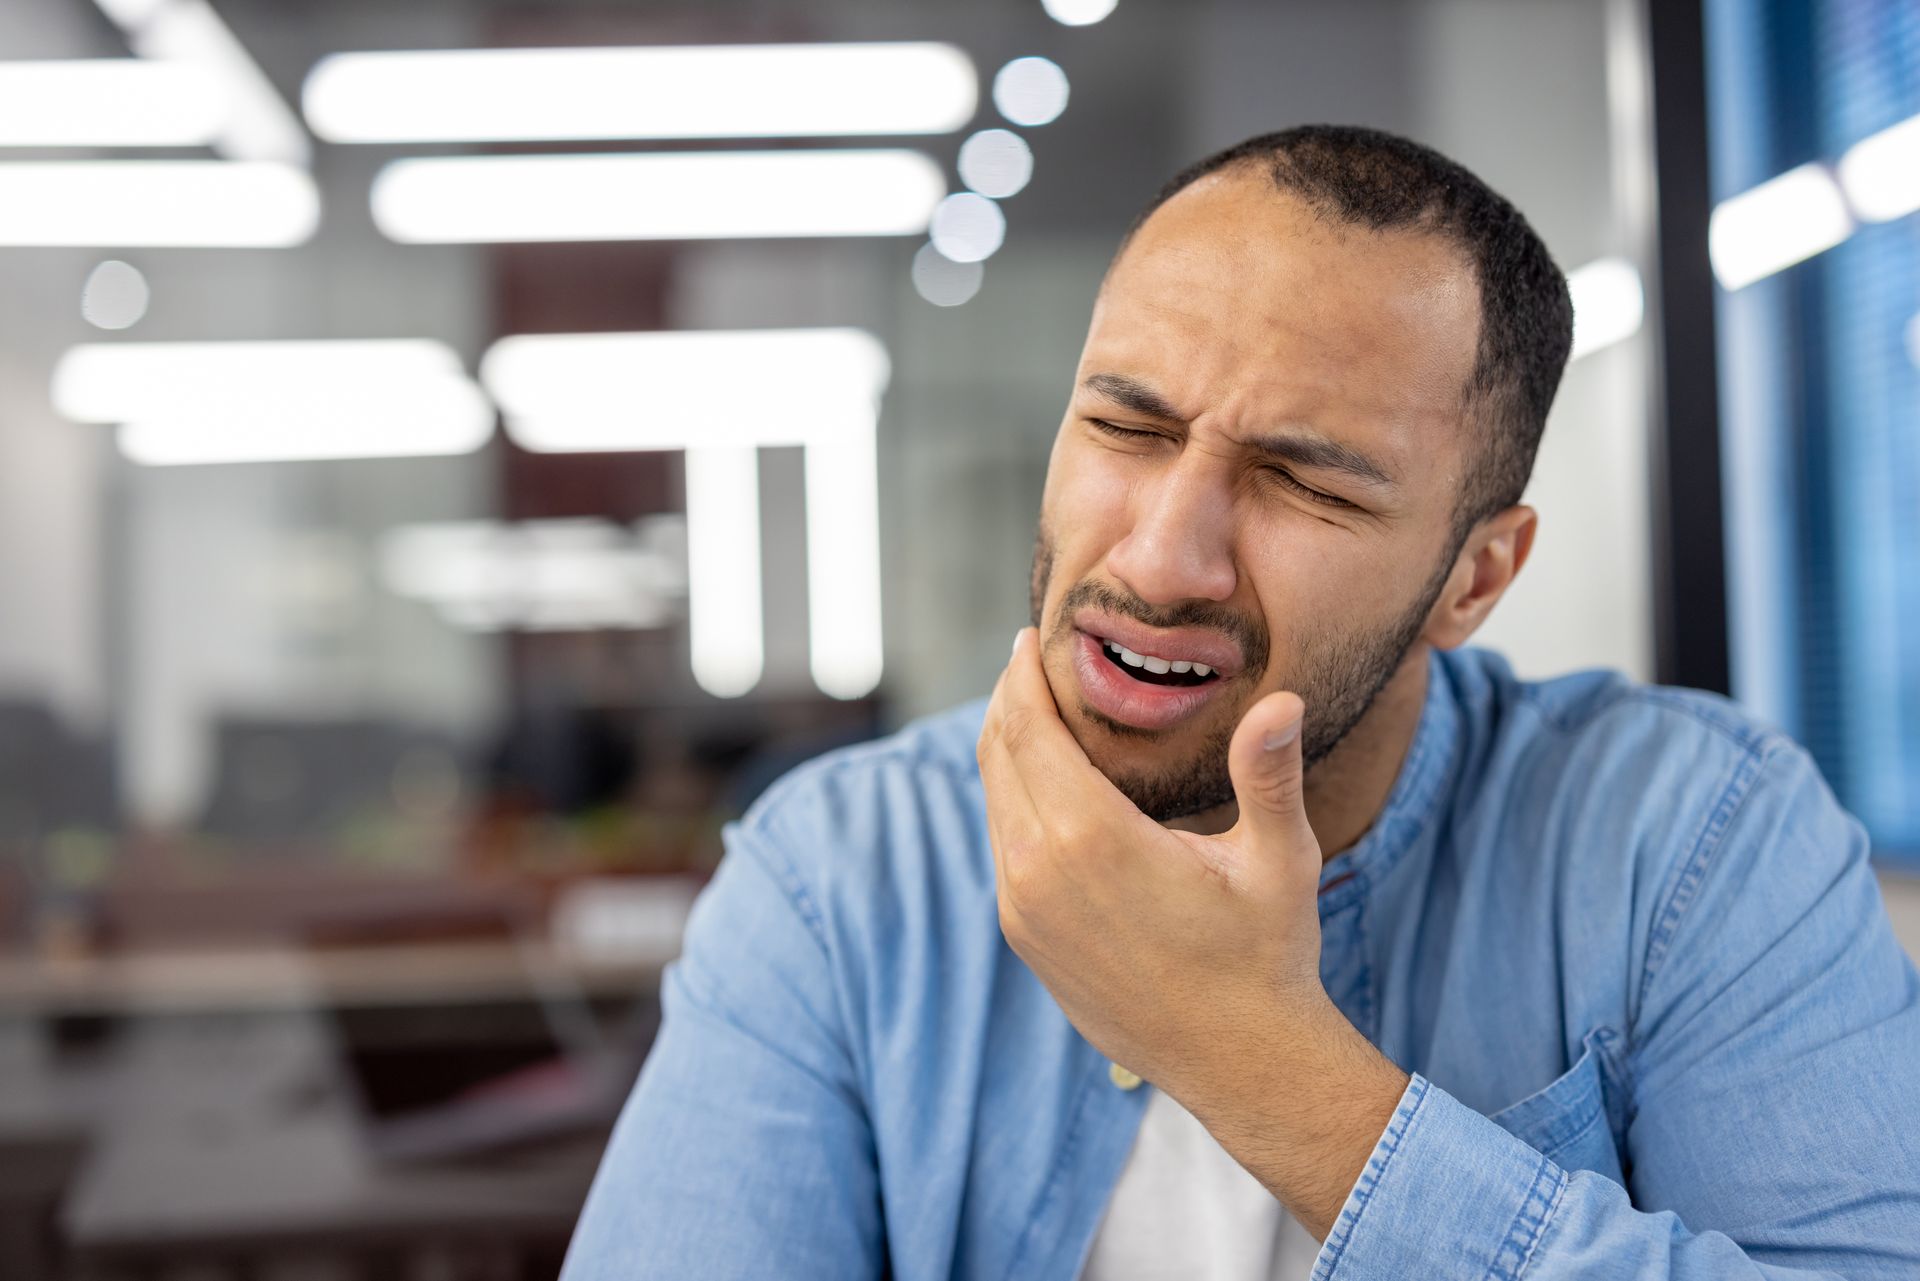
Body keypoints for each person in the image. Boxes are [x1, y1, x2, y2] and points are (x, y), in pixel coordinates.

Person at [559, 125, 1920, 1279]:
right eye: (1125, 426)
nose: (1158, 556)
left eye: (1309, 484)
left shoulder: (1694, 843)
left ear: (1477, 575)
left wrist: (1257, 1060)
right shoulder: (843, 876)